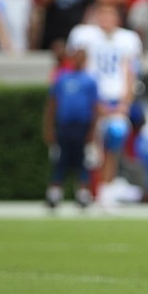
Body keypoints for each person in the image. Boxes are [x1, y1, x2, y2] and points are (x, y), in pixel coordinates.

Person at [67, 0, 144, 204]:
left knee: (115, 137)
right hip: (91, 100)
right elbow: (76, 67)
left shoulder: (128, 38)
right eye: (102, 13)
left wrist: (125, 103)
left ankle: (105, 189)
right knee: (90, 150)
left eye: (111, 14)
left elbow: (130, 73)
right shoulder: (84, 35)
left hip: (115, 100)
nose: (106, 19)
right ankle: (84, 190)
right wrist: (92, 101)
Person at [42, 47, 99, 208]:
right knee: (60, 160)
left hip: (82, 126)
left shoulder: (89, 80)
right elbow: (52, 104)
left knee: (82, 161)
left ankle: (82, 193)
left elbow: (94, 108)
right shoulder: (62, 79)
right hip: (65, 126)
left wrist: (92, 131)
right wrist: (49, 128)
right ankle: (54, 193)